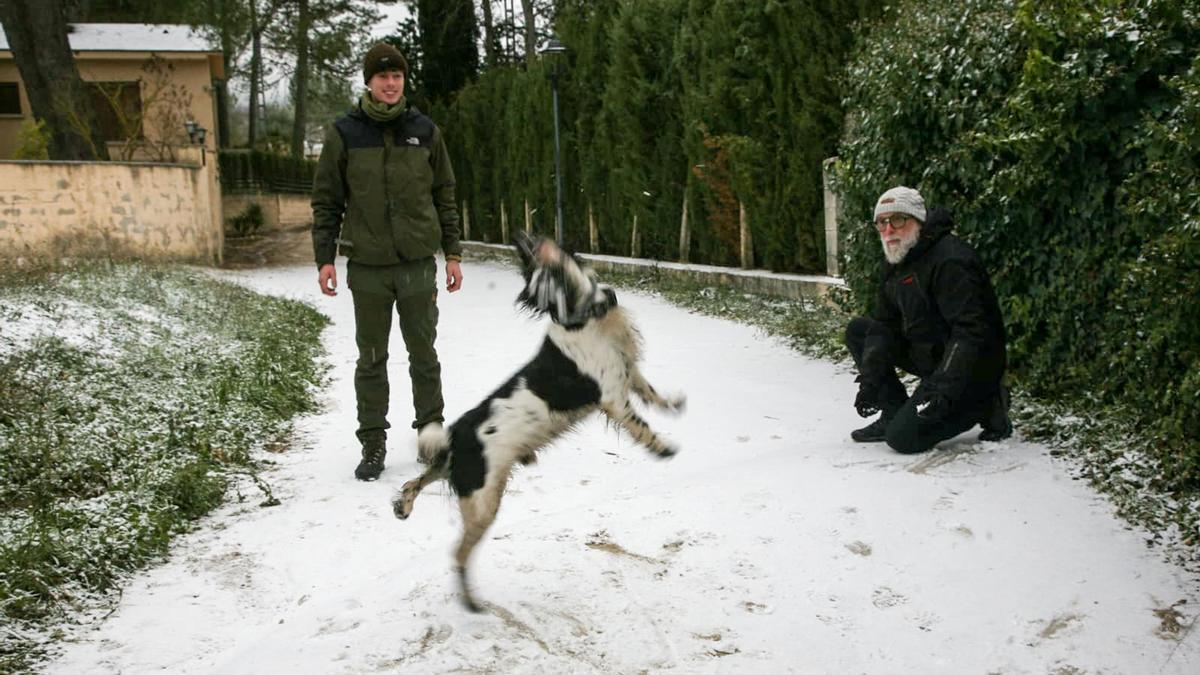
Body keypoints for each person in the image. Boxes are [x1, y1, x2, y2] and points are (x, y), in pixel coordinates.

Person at [311, 43, 464, 481]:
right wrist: (325, 259)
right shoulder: (345, 133)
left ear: (403, 80)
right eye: (383, 77)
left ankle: (431, 438)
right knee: (372, 358)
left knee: (423, 354)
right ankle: (373, 443)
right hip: (368, 267)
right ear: (369, 82)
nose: (391, 83)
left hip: (417, 264)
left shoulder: (425, 131)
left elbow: (445, 195)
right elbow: (327, 201)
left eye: (397, 76)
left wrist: (452, 253)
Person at [844, 186, 1011, 454]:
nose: (889, 230)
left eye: (898, 220)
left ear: (918, 221)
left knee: (903, 439)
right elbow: (884, 324)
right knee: (860, 331)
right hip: (930, 354)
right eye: (882, 223)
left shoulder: (951, 260)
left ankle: (988, 403)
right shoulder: (897, 258)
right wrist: (870, 382)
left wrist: (942, 392)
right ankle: (893, 411)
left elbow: (970, 333)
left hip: (970, 366)